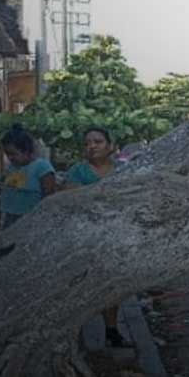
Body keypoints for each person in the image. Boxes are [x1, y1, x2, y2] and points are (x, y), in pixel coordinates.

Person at [64, 127, 131, 347]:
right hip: (84, 239)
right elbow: (73, 200)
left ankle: (111, 330)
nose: (91, 146)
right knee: (78, 287)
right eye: (87, 143)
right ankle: (74, 335)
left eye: (98, 141)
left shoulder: (124, 170)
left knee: (111, 287)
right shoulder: (77, 171)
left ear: (110, 145)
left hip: (115, 236)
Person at [0, 125, 56, 231]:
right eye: (7, 154)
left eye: (13, 154)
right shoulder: (11, 167)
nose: (10, 158)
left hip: (31, 220)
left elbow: (48, 198)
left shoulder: (42, 167)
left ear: (26, 151)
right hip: (9, 218)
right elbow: (6, 192)